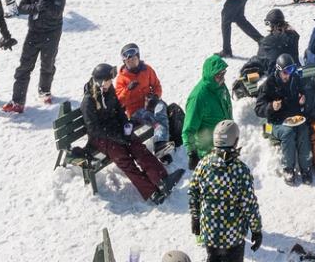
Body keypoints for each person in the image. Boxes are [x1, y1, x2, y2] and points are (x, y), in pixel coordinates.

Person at [83, 62, 171, 202]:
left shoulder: (108, 90)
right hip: (101, 138)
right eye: (107, 81)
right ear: (99, 82)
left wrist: (126, 124)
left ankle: (162, 178)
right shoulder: (88, 101)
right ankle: (150, 191)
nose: (110, 83)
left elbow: (119, 110)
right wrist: (117, 137)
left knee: (138, 147)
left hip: (115, 129)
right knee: (124, 159)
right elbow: (94, 129)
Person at [190, 119, 263, 261]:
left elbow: (194, 193)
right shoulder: (240, 170)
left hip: (210, 233)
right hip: (233, 236)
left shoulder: (203, 164)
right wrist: (256, 230)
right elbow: (249, 204)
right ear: (235, 142)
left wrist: (195, 217)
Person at [6, 0, 65, 111]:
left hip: (51, 32)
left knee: (47, 63)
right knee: (24, 66)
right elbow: (21, 7)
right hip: (34, 31)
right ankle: (17, 101)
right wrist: (36, 7)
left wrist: (46, 6)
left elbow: (58, 12)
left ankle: (44, 90)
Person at [256, 54, 315, 185]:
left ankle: (305, 167)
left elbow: (304, 93)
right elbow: (258, 109)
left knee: (304, 131)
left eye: (291, 70)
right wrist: (271, 106)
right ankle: (288, 168)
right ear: (278, 70)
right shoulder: (269, 84)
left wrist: (303, 100)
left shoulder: (295, 79)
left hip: (295, 118)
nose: (288, 75)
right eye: (286, 71)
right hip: (275, 122)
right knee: (288, 133)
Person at [116, 43, 175, 153]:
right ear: (124, 62)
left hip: (150, 104)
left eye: (133, 59)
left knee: (161, 107)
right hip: (135, 110)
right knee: (156, 120)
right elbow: (120, 101)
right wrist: (127, 90)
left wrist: (155, 96)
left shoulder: (147, 70)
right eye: (128, 61)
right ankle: (160, 144)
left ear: (138, 57)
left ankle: (161, 146)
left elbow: (157, 86)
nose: (131, 62)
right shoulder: (122, 78)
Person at [182, 57, 233, 171]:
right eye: (218, 75)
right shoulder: (198, 97)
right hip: (207, 152)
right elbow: (188, 129)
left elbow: (227, 109)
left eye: (223, 73)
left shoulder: (221, 87)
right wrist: (192, 153)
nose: (222, 78)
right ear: (210, 75)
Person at [240, 7, 300, 89]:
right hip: (293, 71)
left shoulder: (267, 41)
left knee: (255, 62)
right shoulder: (294, 36)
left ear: (271, 24)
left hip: (277, 79)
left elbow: (261, 59)